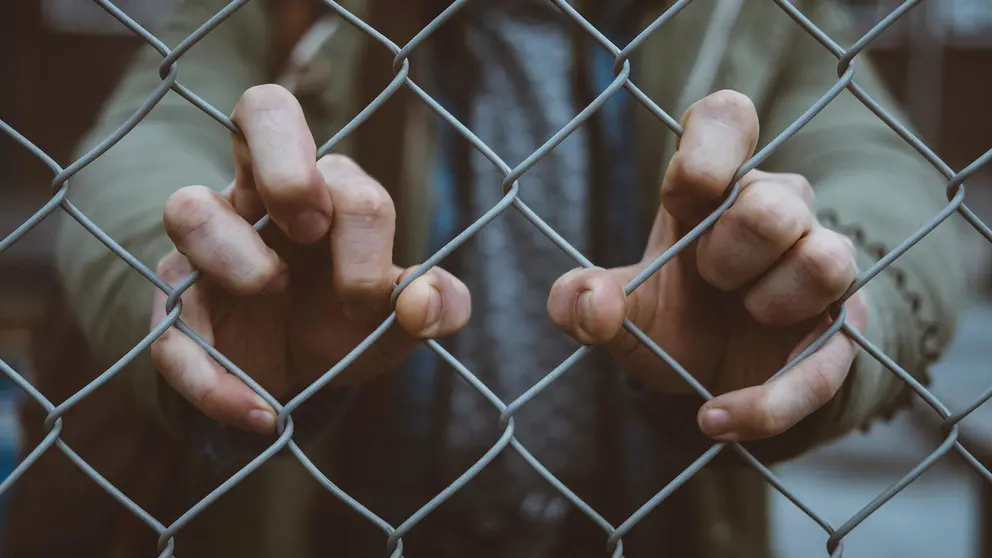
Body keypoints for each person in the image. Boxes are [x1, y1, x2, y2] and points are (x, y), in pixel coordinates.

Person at [1, 0, 963, 557]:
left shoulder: (744, 15)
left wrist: (827, 288)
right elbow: (140, 150)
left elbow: (887, 171)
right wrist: (196, 279)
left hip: (655, 522)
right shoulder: (286, 14)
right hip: (336, 520)